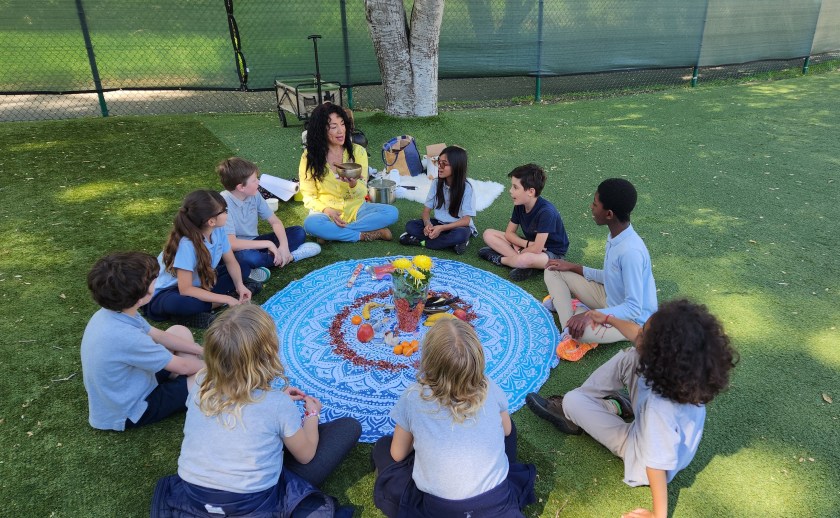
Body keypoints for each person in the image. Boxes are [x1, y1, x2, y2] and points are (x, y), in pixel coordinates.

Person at [526, 299, 738, 518]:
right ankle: (612, 404)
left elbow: (656, 463)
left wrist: (658, 515)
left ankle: (575, 413)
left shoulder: (659, 410)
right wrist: (608, 319)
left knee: (572, 401)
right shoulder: (691, 375)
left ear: (658, 354)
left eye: (644, 333)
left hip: (642, 458)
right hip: (662, 438)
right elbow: (637, 335)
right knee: (632, 356)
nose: (639, 333)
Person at [151, 305, 360, 517]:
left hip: (193, 497)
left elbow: (242, 415)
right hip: (252, 503)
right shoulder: (277, 404)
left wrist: (275, 406)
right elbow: (306, 456)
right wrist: (312, 415)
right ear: (267, 354)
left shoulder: (200, 382)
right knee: (348, 428)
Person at [372, 319, 536, 517]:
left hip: (440, 510)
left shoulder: (413, 397)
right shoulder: (489, 386)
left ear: (428, 360)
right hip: (497, 502)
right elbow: (507, 430)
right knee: (508, 425)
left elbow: (397, 454)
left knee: (383, 446)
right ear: (477, 359)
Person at [81, 252, 204, 431]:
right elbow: (183, 367)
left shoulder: (116, 311)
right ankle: (184, 384)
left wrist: (201, 350)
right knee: (209, 376)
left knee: (179, 331)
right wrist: (219, 363)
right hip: (132, 411)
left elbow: (159, 335)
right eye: (154, 279)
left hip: (138, 381)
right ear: (142, 297)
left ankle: (180, 382)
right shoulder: (126, 336)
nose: (158, 278)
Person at [544, 178, 657, 355]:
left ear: (609, 214)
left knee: (582, 332)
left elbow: (634, 308)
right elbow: (610, 277)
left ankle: (574, 319)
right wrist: (573, 266)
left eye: (595, 204)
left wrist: (590, 315)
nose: (591, 207)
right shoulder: (616, 235)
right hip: (608, 299)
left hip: (630, 320)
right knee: (553, 270)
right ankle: (570, 324)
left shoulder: (631, 252)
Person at [144, 190, 256, 329]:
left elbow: (230, 261)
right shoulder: (186, 245)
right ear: (211, 221)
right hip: (169, 293)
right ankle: (196, 311)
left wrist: (239, 285)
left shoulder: (219, 230)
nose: (227, 213)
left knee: (243, 267)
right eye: (225, 211)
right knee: (181, 304)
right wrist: (226, 299)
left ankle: (216, 300)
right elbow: (185, 289)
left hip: (202, 282)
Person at [299, 103, 398, 242]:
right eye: (334, 127)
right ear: (321, 130)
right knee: (310, 224)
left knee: (391, 212)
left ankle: (332, 233)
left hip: (357, 208)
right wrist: (327, 210)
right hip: (326, 212)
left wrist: (353, 184)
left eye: (342, 124)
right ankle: (363, 235)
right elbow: (308, 196)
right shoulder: (309, 157)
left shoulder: (358, 151)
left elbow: (363, 192)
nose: (341, 131)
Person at [217, 157, 321, 283]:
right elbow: (232, 244)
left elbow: (275, 222)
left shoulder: (254, 194)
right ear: (241, 187)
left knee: (298, 232)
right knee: (249, 258)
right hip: (233, 251)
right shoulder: (223, 204)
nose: (258, 182)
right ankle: (291, 257)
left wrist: (284, 246)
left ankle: (280, 256)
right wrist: (268, 244)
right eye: (254, 180)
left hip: (254, 242)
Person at [478, 163, 569, 281]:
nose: (510, 191)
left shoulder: (546, 212)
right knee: (488, 234)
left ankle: (500, 259)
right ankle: (522, 265)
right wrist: (525, 244)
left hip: (551, 253)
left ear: (531, 192)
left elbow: (538, 248)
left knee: (525, 259)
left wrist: (521, 249)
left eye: (515, 187)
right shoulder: (520, 204)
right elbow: (509, 233)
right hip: (531, 244)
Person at [399, 145, 476, 255]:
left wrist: (441, 228)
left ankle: (421, 242)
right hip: (439, 223)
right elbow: (426, 211)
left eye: (444, 164)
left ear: (456, 166)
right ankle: (453, 243)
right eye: (438, 162)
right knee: (411, 225)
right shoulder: (436, 183)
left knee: (461, 234)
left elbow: (466, 220)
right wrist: (428, 224)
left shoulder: (467, 188)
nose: (439, 166)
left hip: (458, 226)